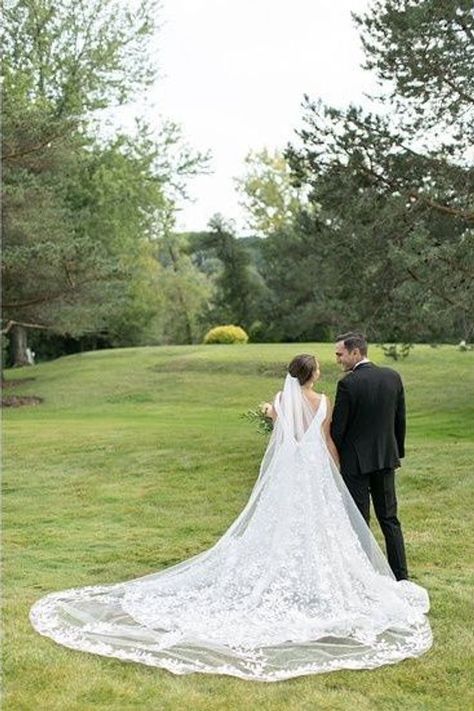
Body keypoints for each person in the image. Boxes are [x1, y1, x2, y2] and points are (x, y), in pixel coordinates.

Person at [30, 354, 432, 682]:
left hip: (288, 474)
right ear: (314, 375)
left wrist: (273, 415)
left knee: (278, 524)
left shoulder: (280, 401)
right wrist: (335, 470)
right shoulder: (324, 401)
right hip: (315, 474)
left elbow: (280, 434)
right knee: (321, 527)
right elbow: (327, 440)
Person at [331, 332, 408, 581]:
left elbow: (338, 430)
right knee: (390, 519)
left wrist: (338, 456)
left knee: (359, 522)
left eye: (340, 354)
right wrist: (397, 451)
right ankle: (401, 576)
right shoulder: (392, 377)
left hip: (355, 463)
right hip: (386, 458)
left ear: (356, 352)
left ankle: (365, 578)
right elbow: (400, 420)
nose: (338, 360)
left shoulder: (347, 384)